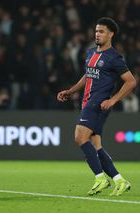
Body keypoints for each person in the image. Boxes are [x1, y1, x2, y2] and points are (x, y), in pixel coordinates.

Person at [57, 17, 137, 196]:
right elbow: (87, 76)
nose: (97, 34)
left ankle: (100, 177)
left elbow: (131, 82)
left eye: (101, 31)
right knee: (95, 144)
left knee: (79, 136)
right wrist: (70, 91)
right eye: (96, 31)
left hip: (99, 102)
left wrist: (113, 100)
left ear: (111, 34)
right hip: (88, 101)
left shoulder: (114, 58)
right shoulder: (91, 52)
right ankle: (119, 180)